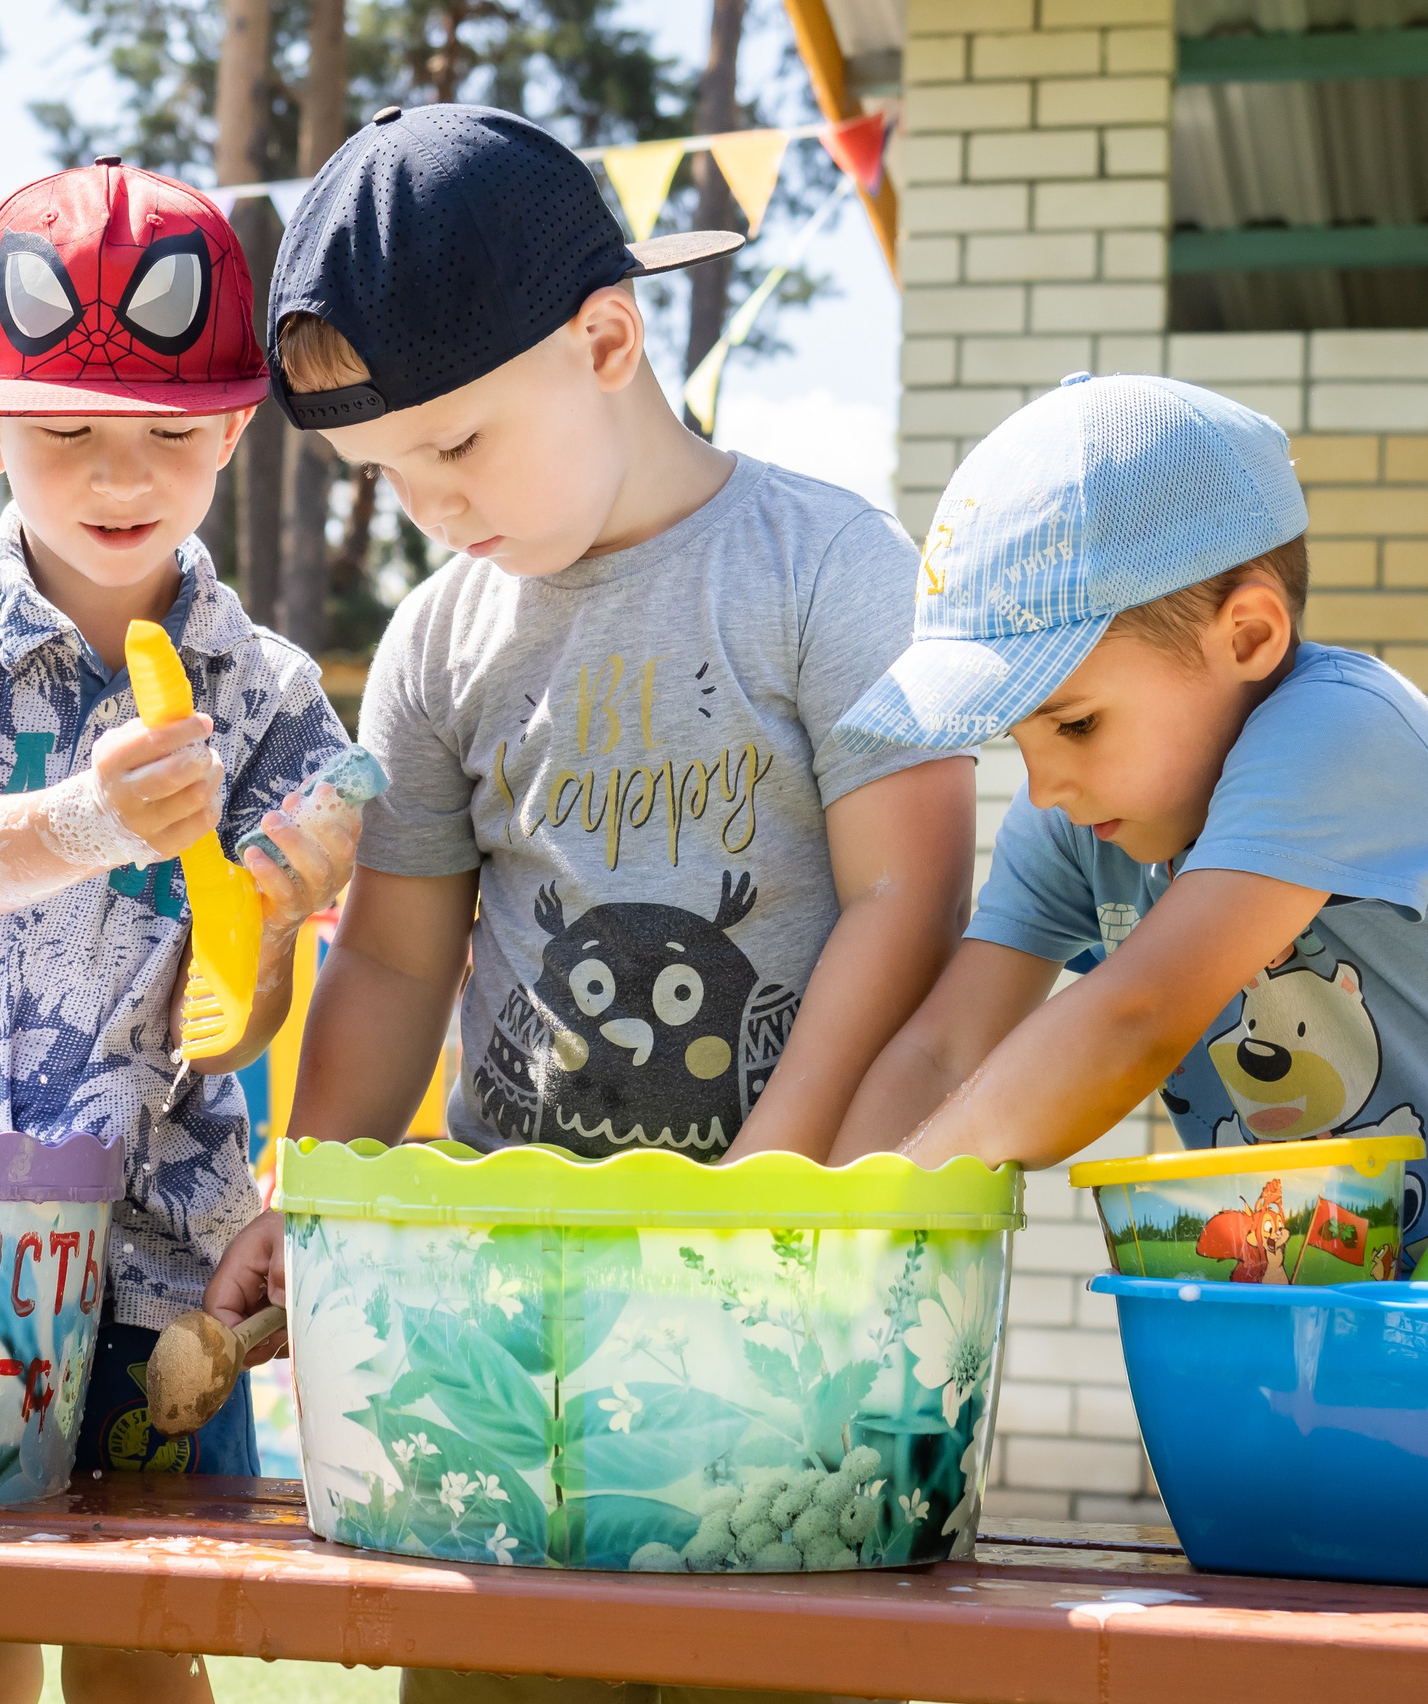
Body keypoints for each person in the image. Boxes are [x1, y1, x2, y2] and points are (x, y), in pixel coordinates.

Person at [199, 105, 973, 1704]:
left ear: (609, 338)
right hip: (513, 1356)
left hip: (793, 1326)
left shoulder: (829, 566)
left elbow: (912, 895)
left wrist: (767, 1183)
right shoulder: (435, 638)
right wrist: (318, 1195)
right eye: (384, 471)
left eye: (460, 445)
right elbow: (399, 962)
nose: (429, 502)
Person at [0, 159, 358, 1704]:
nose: (123, 473)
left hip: (163, 1242)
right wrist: (91, 821)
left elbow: (256, 984)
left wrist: (294, 901)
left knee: (149, 1649)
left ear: (234, 430)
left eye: (172, 434)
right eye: (68, 434)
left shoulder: (275, 693)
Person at [820, 371, 1428, 1241]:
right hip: (1358, 1331)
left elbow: (1136, 1017)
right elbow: (943, 1055)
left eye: (1076, 724)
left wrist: (872, 1230)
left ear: (1249, 638)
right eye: (1019, 739)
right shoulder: (1081, 828)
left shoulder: (1341, 732)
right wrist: (815, 1242)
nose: (1044, 789)